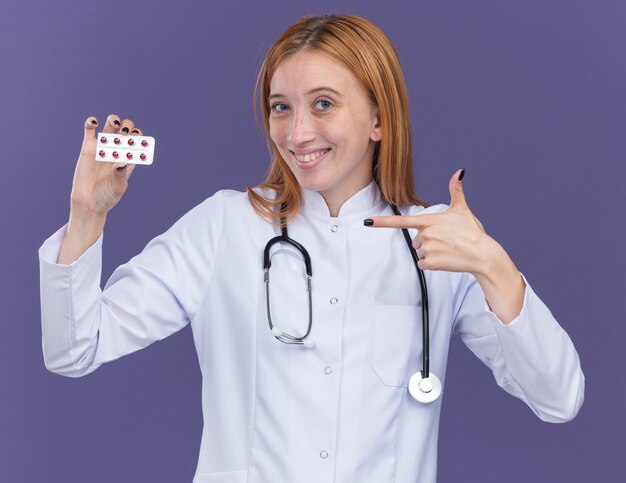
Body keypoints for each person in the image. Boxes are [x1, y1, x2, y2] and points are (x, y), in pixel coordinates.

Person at [39, 14, 584, 483]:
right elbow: (74, 350)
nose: (297, 132)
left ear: (379, 118)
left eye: (323, 104)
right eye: (281, 107)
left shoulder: (438, 243)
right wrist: (88, 213)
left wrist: (492, 264)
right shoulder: (224, 225)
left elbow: (559, 400)